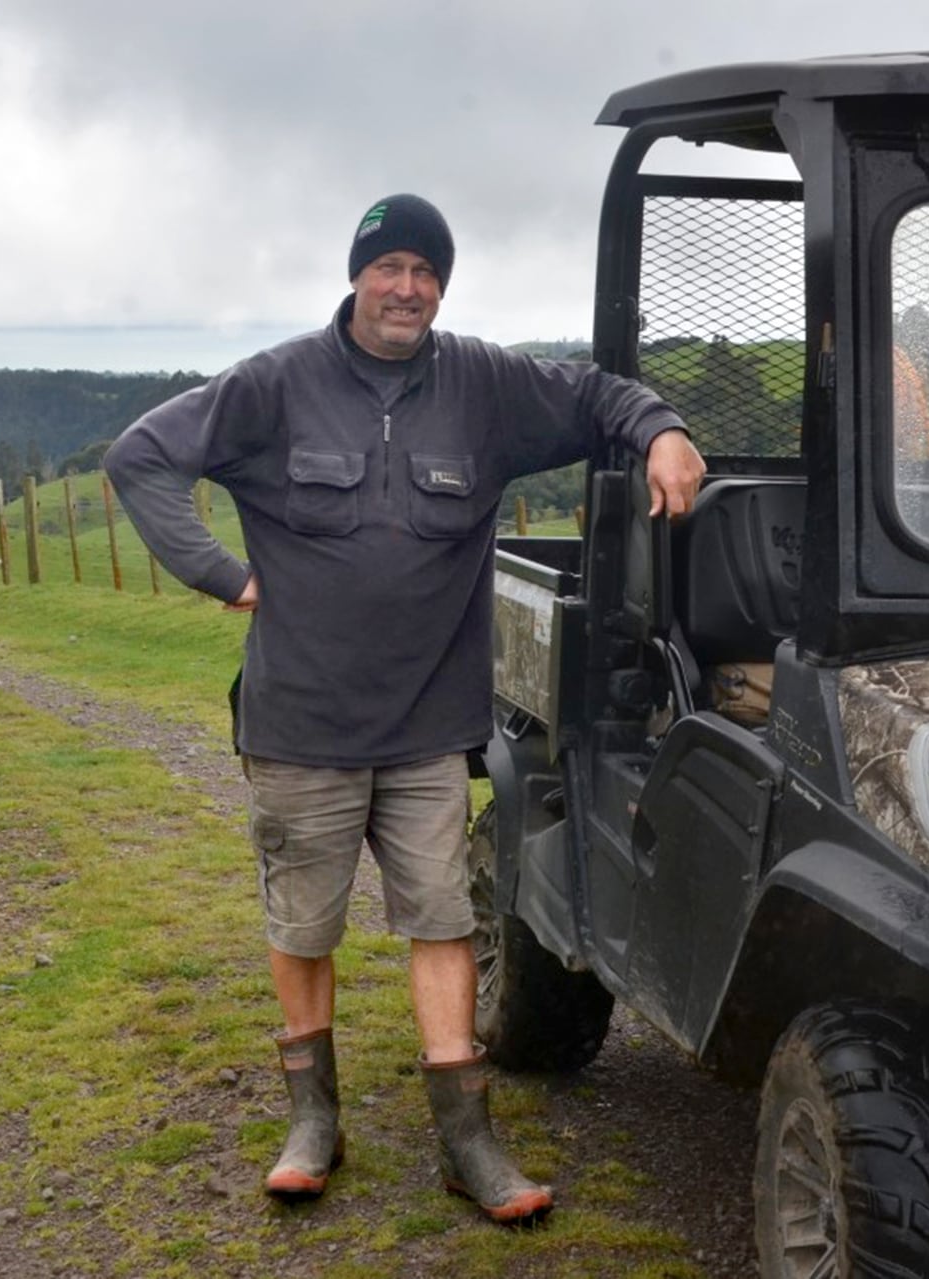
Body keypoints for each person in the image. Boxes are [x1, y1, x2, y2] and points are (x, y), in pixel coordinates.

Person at [106, 193, 705, 1224]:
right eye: (389, 267)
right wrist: (220, 572)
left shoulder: (483, 385)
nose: (408, 287)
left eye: (427, 271)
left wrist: (662, 431)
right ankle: (313, 1122)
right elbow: (140, 456)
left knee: (443, 918)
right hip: (301, 724)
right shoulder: (276, 384)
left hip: (429, 725)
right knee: (305, 924)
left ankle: (468, 1141)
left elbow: (597, 393)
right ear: (356, 277)